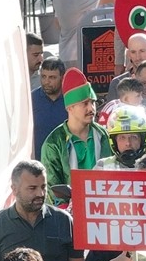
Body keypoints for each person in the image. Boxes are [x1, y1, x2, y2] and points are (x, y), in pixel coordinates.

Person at [39, 69, 112, 201]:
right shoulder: (54, 143)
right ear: (70, 108)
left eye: (93, 102)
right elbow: (52, 191)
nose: (91, 109)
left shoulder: (103, 135)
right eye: (85, 103)